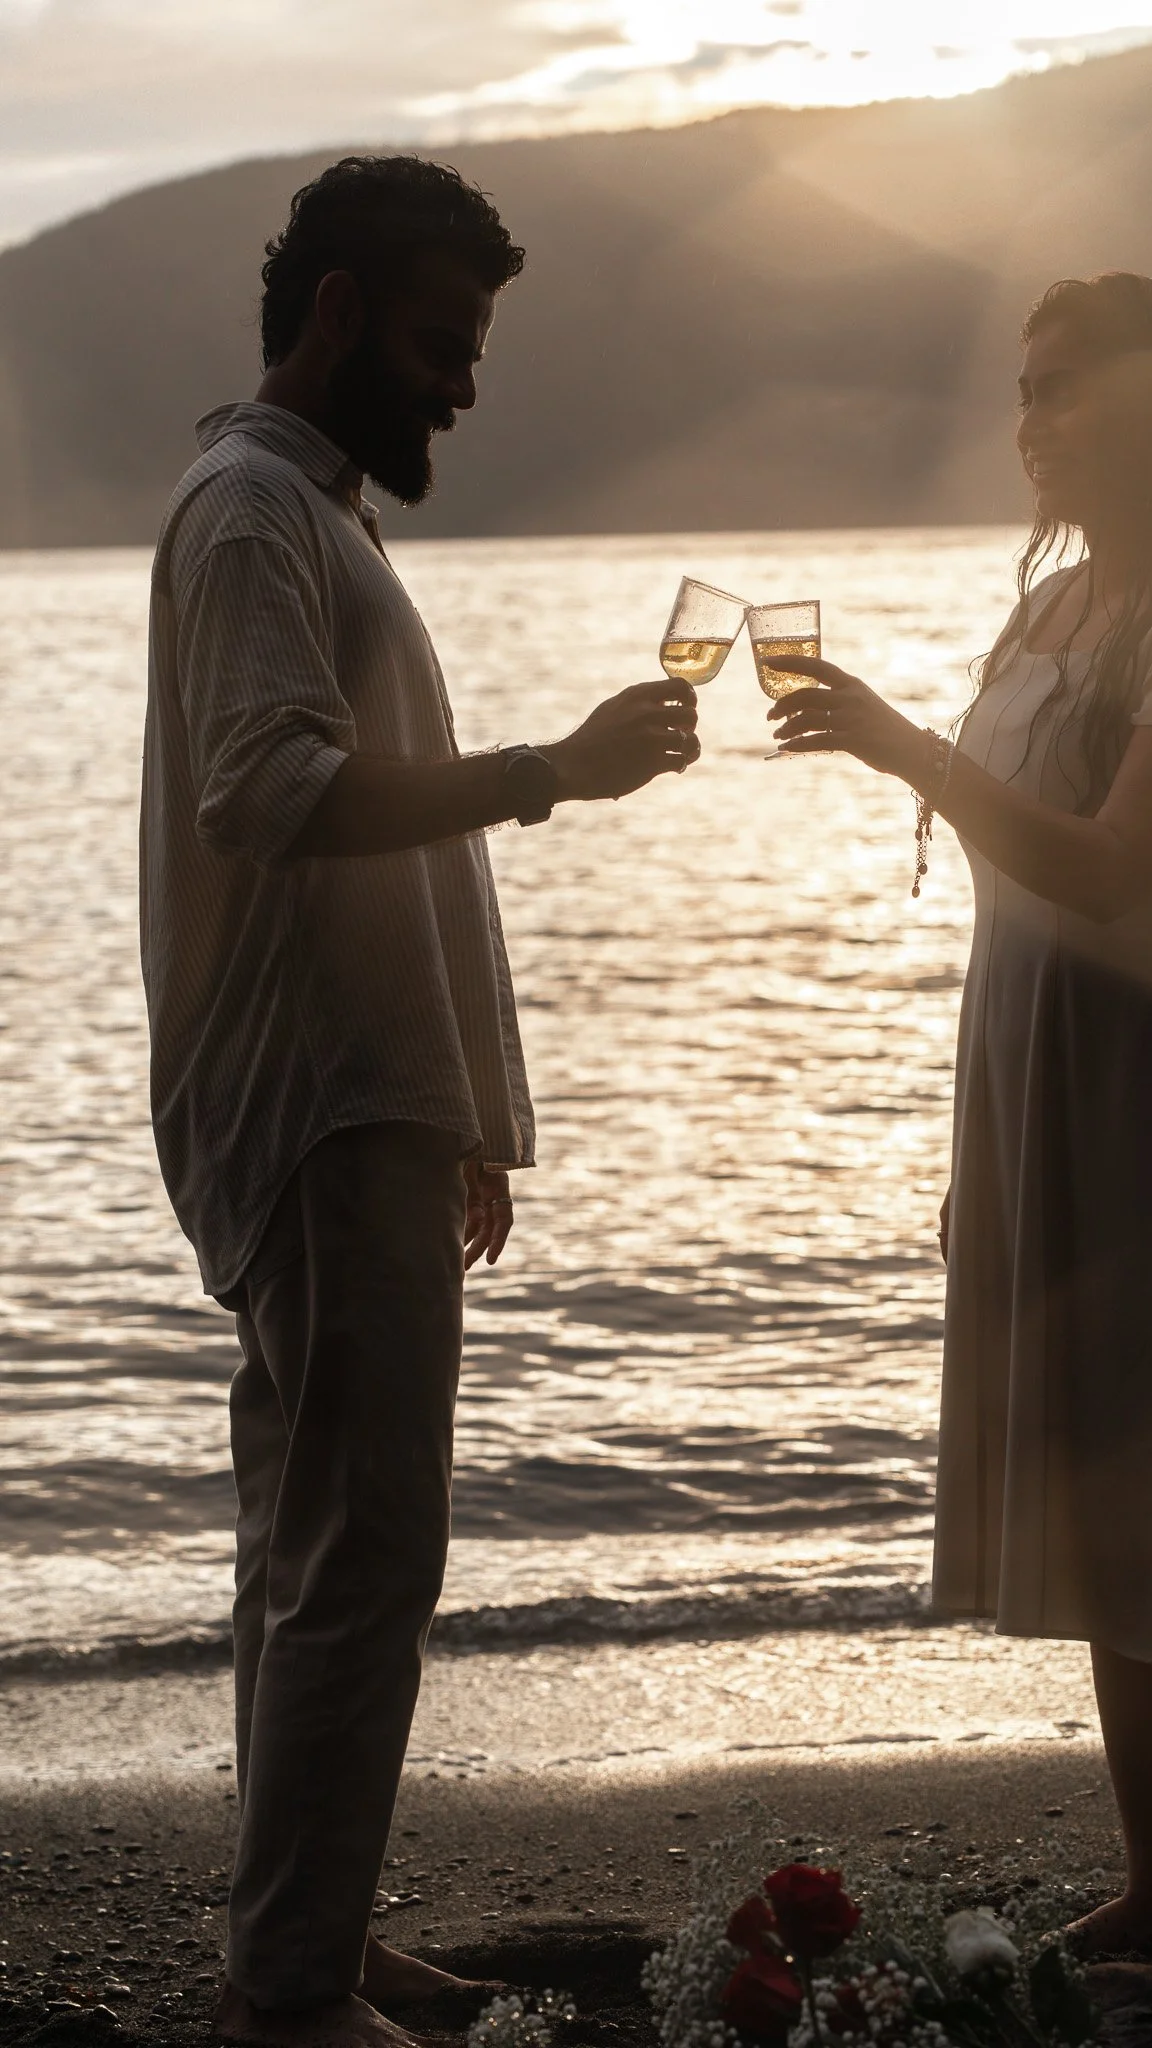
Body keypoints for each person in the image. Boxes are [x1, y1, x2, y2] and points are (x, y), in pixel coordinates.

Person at [139, 155, 698, 2048]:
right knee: (367, 1554)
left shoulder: (315, 515)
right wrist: (550, 767)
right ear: (342, 311)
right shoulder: (248, 519)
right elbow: (273, 794)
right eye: (447, 342)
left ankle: (305, 1928)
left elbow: (353, 843)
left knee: (308, 1546)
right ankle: (288, 1993)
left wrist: (455, 1105)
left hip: (365, 1101)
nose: (467, 386)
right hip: (310, 1105)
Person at [770, 272, 1152, 1959]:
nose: (1033, 422)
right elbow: (1010, 902)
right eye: (1022, 391)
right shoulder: (1053, 612)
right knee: (1100, 1496)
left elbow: (1102, 863)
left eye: (1066, 386)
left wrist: (899, 749)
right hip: (1042, 1079)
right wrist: (980, 1150)